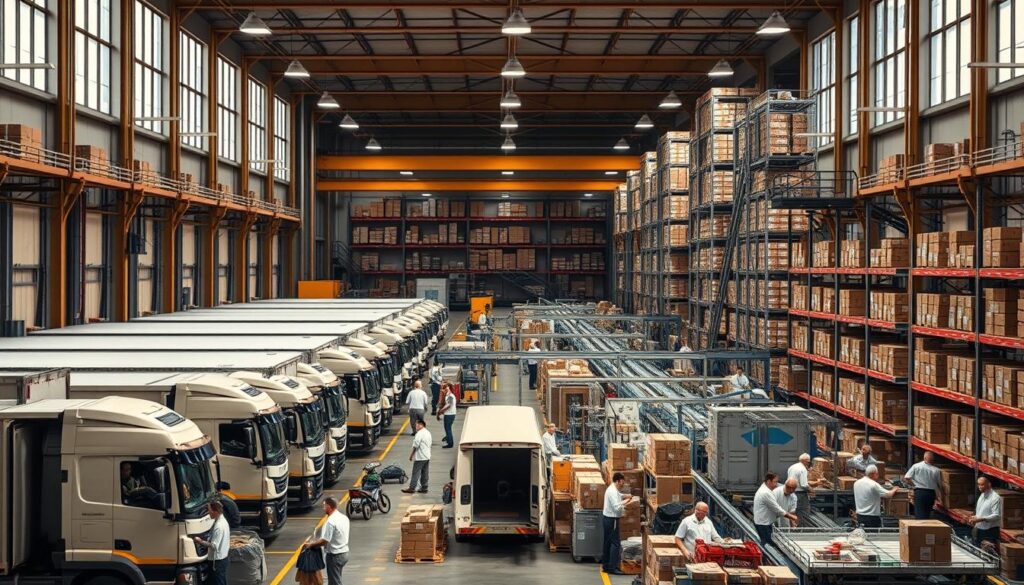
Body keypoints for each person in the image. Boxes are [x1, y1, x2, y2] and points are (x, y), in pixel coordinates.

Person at [302, 497, 350, 585]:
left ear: (329, 506)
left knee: (334, 582)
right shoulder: (344, 518)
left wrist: (311, 545)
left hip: (335, 556)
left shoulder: (331, 521)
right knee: (336, 578)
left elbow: (325, 541)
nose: (323, 508)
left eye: (324, 505)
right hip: (345, 553)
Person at [602, 472, 635, 575]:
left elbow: (618, 495)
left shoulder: (614, 489)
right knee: (615, 544)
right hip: (612, 520)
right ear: (617, 481)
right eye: (622, 482)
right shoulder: (612, 491)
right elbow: (616, 508)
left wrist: (625, 496)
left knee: (607, 542)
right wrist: (627, 501)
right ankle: (612, 567)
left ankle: (606, 565)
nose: (623, 484)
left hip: (608, 519)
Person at [753, 473, 798, 545]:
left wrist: (792, 522)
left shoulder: (793, 496)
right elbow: (777, 509)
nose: (776, 484)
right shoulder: (767, 493)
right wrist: (792, 517)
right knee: (767, 544)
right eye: (775, 482)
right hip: (764, 523)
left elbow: (791, 510)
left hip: (767, 522)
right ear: (768, 481)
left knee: (768, 543)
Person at [193, 501, 230, 585]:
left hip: (217, 562)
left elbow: (214, 546)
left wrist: (200, 541)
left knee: (218, 582)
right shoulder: (223, 521)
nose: (208, 512)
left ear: (215, 511)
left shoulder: (219, 526)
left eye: (209, 510)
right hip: (223, 559)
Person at [904, 451, 943, 520]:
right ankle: (926, 528)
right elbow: (938, 484)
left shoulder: (916, 466)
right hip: (931, 494)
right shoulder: (936, 470)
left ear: (924, 458)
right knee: (927, 514)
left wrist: (913, 485)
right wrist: (939, 497)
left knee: (920, 514)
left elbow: (907, 478)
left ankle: (921, 529)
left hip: (920, 492)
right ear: (932, 459)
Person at [787, 453, 825, 521]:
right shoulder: (802, 469)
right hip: (800, 494)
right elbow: (804, 484)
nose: (808, 463)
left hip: (791, 492)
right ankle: (802, 528)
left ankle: (794, 527)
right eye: (808, 462)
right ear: (804, 461)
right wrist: (811, 490)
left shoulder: (792, 467)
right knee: (804, 511)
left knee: (794, 511)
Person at [969, 476, 1002, 546]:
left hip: (990, 531)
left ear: (989, 484)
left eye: (982, 484)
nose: (979, 487)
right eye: (978, 484)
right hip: (980, 530)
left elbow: (996, 515)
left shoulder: (995, 498)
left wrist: (981, 519)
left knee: (988, 553)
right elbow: (981, 512)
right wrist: (974, 517)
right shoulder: (982, 495)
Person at [403, 418, 432, 494]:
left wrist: (411, 455)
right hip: (427, 456)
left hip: (420, 457)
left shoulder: (419, 434)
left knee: (415, 472)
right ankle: (424, 487)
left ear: (420, 425)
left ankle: (412, 488)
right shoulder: (428, 432)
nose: (416, 426)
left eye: (417, 425)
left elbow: (416, 445)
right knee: (425, 472)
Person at [436, 382, 457, 448]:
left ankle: (450, 443)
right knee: (448, 428)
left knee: (448, 429)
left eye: (445, 388)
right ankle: (448, 438)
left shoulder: (450, 396)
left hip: (449, 414)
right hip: (449, 414)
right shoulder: (448, 395)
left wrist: (441, 411)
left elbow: (449, 405)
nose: (444, 390)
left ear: (449, 388)